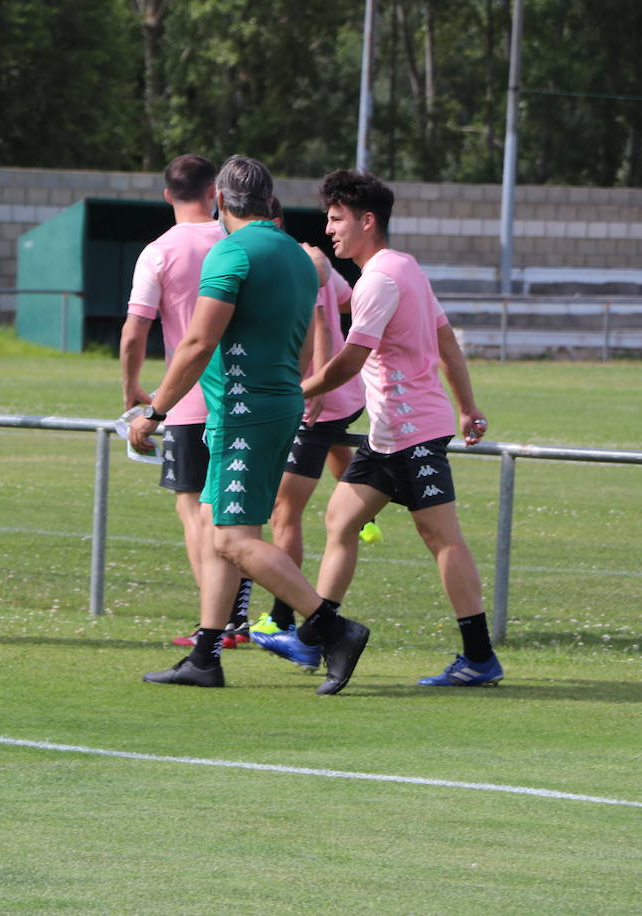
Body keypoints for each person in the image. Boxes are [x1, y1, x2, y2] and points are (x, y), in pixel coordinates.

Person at [129, 156, 370, 695]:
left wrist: (155, 412)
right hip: (271, 402)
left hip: (244, 411)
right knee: (220, 532)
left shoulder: (231, 254)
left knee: (236, 541)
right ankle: (204, 655)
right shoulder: (298, 256)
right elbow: (308, 341)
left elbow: (196, 344)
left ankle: (333, 629)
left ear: (219, 198)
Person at [302, 168, 502, 686]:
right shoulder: (405, 268)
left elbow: (349, 361)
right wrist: (466, 406)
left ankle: (479, 658)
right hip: (390, 433)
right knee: (340, 520)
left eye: (337, 218)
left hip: (411, 433)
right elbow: (447, 343)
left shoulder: (380, 280)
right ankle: (321, 635)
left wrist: (299, 392)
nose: (330, 229)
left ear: (367, 220)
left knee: (441, 537)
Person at [119, 154, 254, 650]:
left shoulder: (158, 251)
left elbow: (136, 328)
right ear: (214, 193)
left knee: (195, 511)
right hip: (242, 395)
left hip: (188, 399)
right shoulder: (237, 241)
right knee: (237, 511)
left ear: (166, 195)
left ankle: (212, 626)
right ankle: (233, 620)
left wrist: (133, 388)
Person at [250, 199, 381, 672]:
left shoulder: (301, 261)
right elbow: (344, 303)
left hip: (321, 401)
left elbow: (325, 319)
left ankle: (283, 617)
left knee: (286, 508)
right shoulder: (311, 260)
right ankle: (365, 514)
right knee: (324, 474)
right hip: (333, 398)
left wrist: (319, 384)